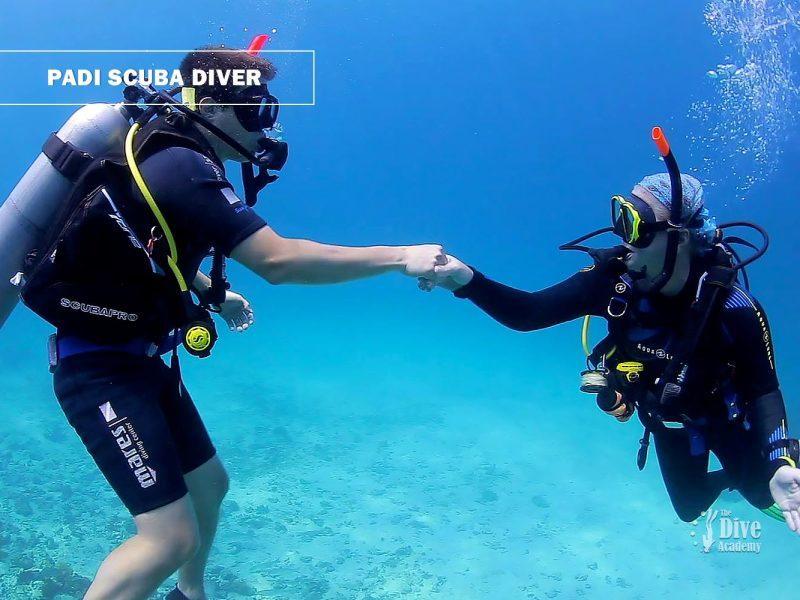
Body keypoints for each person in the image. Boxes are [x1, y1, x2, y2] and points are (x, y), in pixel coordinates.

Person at [11, 42, 448, 600]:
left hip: (141, 360)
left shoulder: (173, 159)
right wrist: (399, 257)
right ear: (213, 107)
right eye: (255, 111)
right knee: (167, 539)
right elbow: (280, 262)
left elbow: (142, 248)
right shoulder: (180, 163)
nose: (265, 127)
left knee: (209, 487)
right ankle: (174, 579)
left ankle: (189, 595)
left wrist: (212, 292)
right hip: (97, 370)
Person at [424, 143, 800, 534]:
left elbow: (763, 388)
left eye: (635, 224)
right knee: (689, 508)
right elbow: (528, 314)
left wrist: (778, 460)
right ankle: (736, 478)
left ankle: (774, 466)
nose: (624, 239)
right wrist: (463, 278)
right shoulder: (612, 281)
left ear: (680, 237)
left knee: (771, 493)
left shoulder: (731, 304)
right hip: (666, 416)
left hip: (723, 416)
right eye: (622, 216)